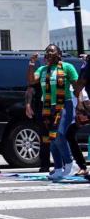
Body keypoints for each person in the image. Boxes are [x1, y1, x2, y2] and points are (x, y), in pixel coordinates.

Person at [26, 45, 79, 181]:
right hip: (49, 106)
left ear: (59, 53)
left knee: (60, 134)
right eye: (47, 51)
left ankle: (70, 163)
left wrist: (82, 103)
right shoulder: (42, 69)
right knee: (52, 138)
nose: (49, 53)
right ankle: (58, 168)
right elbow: (31, 80)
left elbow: (78, 86)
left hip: (64, 104)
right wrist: (31, 63)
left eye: (52, 50)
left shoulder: (68, 67)